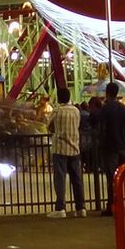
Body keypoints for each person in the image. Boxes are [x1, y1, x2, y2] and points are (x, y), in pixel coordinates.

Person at [91, 81, 125, 215]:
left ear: (107, 93)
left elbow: (100, 125)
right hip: (123, 146)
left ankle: (112, 205)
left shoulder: (105, 108)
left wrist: (101, 142)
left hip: (110, 146)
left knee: (112, 178)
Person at [47, 86, 84, 217]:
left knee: (60, 179)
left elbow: (48, 125)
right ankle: (81, 207)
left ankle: (60, 208)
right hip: (74, 148)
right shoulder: (76, 111)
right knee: (77, 179)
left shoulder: (57, 111)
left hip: (60, 148)